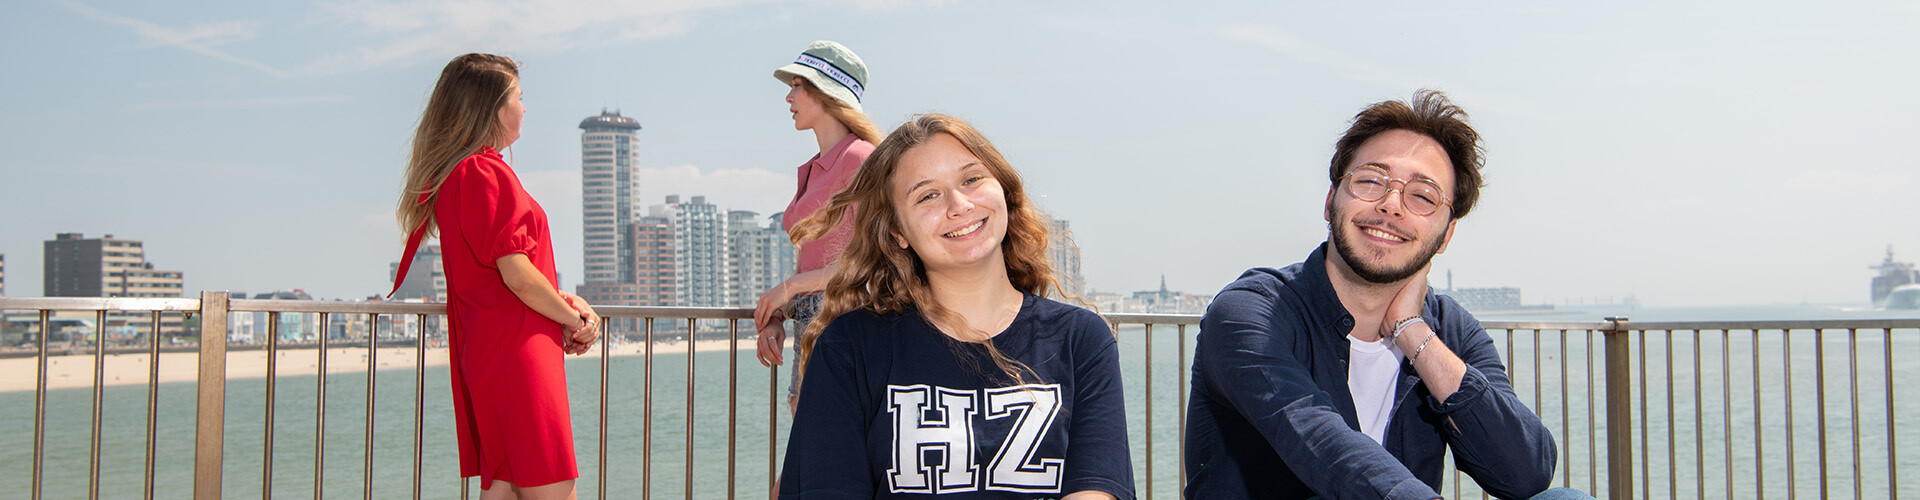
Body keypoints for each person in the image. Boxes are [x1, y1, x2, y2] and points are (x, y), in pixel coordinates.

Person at [1183, 90, 1591, 500]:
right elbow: (1324, 446)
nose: (1391, 205)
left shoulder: (1449, 329)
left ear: (1446, 234)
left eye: (1422, 196)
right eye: (1370, 181)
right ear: (1330, 202)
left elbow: (1525, 473)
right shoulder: (1253, 311)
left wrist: (1414, 334)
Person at [778, 114, 1134, 499]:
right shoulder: (849, 348)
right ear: (897, 232)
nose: (959, 205)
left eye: (971, 179)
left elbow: (1098, 489)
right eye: (927, 195)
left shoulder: (1081, 340)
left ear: (1004, 190)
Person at [390, 53, 600, 500]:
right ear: (494, 108)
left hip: (492, 351)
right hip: (520, 356)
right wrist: (573, 319)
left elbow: (502, 274)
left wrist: (561, 301)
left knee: (504, 485)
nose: (525, 108)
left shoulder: (456, 175)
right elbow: (517, 276)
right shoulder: (484, 171)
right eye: (520, 98)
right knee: (552, 488)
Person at [753, 40, 883, 414]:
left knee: (823, 453)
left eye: (797, 86)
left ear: (825, 93)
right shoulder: (816, 167)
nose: (788, 97)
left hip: (846, 317)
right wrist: (779, 315)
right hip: (813, 320)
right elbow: (813, 260)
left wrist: (789, 288)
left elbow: (871, 262)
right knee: (811, 448)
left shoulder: (860, 158)